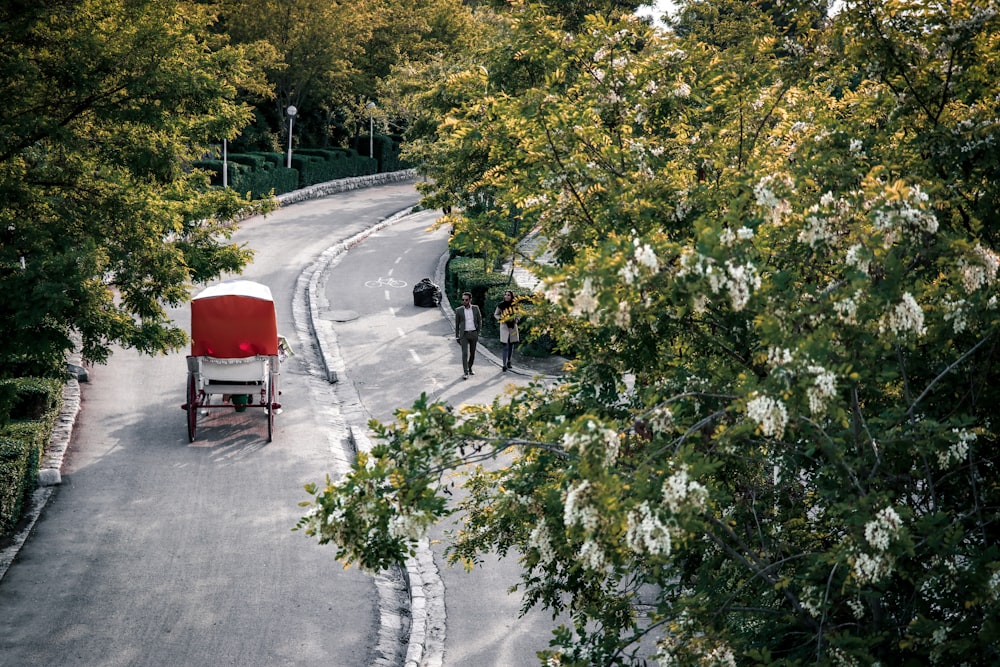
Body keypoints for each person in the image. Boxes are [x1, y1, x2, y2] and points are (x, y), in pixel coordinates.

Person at [454, 291, 482, 379]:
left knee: (472, 353)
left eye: (466, 300)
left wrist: (478, 332)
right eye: (463, 300)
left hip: (473, 333)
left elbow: (479, 320)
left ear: (470, 300)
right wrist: (457, 336)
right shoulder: (459, 310)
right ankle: (465, 372)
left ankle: (470, 367)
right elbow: (457, 324)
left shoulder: (476, 308)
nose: (464, 301)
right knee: (465, 353)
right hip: (464, 335)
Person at [494, 290, 519, 371]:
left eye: (508, 295)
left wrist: (517, 320)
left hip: (512, 326)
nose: (506, 296)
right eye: (505, 295)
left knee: (511, 345)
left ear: (511, 296)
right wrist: (501, 319)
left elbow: (519, 313)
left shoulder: (515, 305)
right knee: (505, 345)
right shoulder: (501, 305)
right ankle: (504, 364)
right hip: (504, 326)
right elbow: (496, 314)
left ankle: (509, 361)